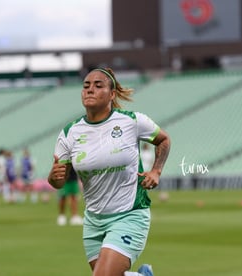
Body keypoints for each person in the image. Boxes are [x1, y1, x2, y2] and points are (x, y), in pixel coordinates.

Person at [48, 68, 170, 276]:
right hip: (93, 221)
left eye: (98, 86)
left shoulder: (132, 121)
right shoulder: (70, 132)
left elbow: (163, 140)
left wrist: (156, 170)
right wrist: (53, 178)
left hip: (129, 215)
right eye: (86, 86)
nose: (90, 90)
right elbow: (58, 181)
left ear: (112, 94)